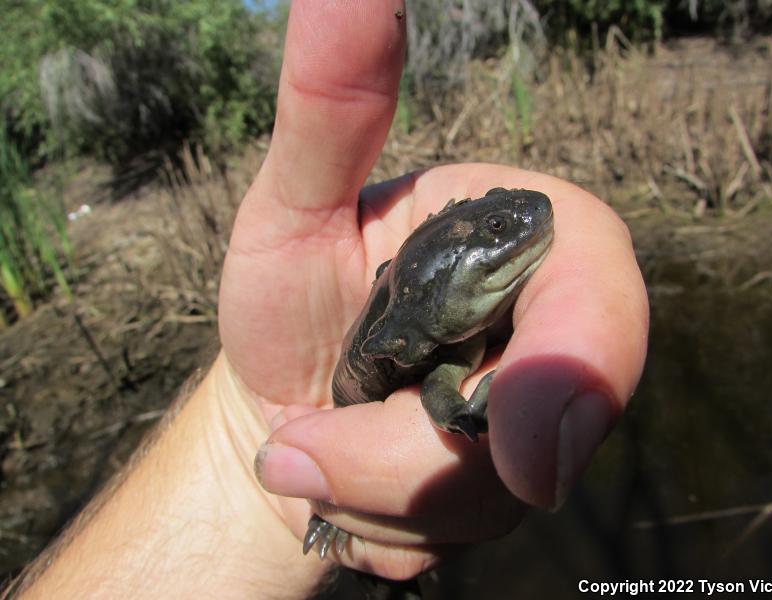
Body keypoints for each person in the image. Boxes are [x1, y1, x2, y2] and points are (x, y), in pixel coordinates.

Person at [5, 2, 648, 598]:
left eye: (496, 222)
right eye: (496, 230)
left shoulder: (445, 308)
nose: (524, 218)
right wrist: (472, 413)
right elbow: (439, 394)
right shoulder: (438, 353)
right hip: (358, 394)